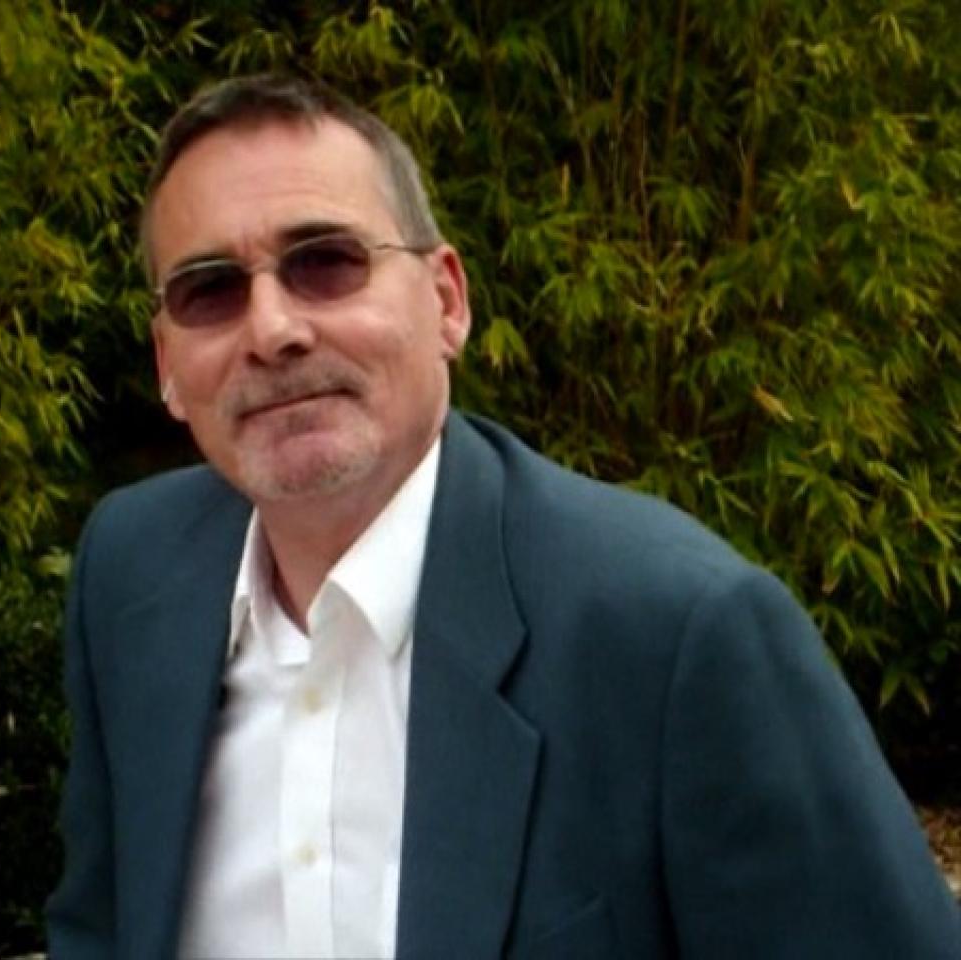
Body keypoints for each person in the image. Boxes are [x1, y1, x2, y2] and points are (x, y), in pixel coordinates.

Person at [46, 75, 960, 958]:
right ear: (167, 365)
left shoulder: (677, 636)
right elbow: (101, 925)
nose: (272, 329)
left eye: (326, 263)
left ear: (447, 301)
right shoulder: (133, 576)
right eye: (210, 291)